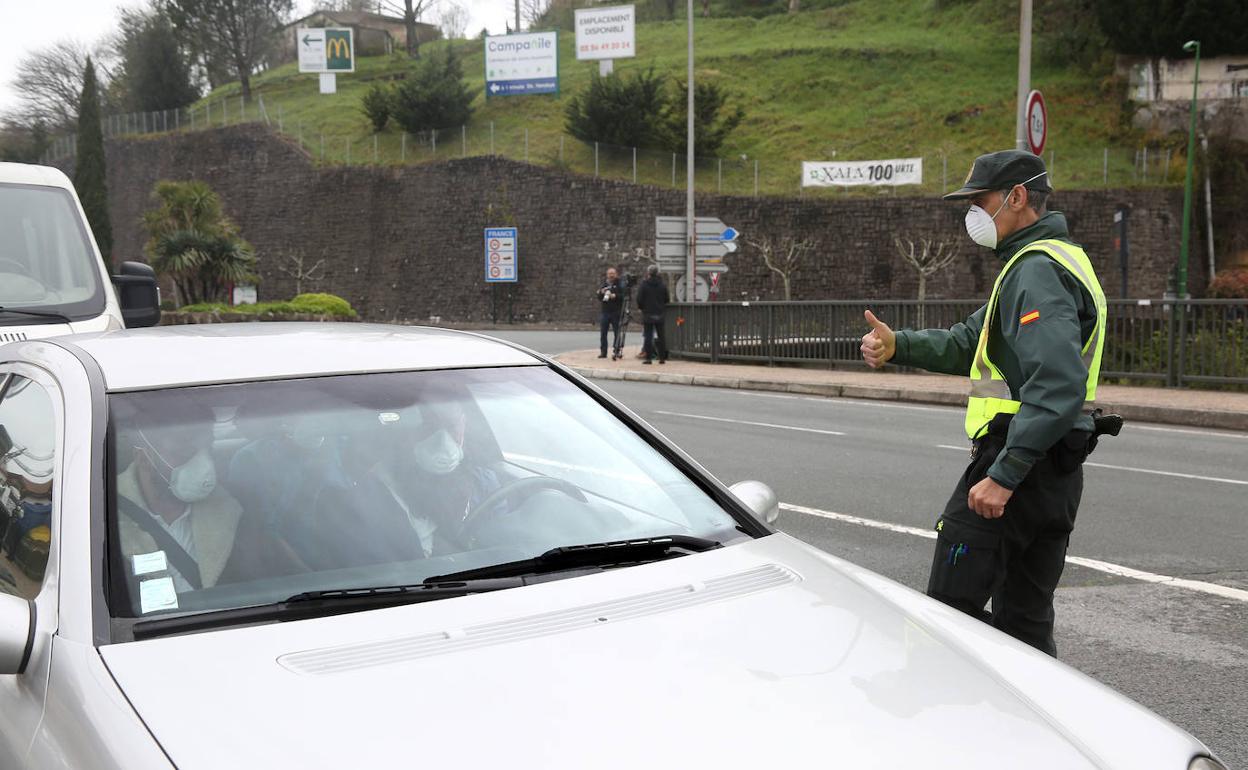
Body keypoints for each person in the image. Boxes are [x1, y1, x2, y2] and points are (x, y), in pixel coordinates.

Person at [859, 149, 1107, 657]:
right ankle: (1034, 732)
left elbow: (1058, 384)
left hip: (1017, 463)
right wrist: (898, 344)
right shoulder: (1047, 262)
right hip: (1055, 467)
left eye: (980, 200)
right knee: (1024, 628)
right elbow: (971, 340)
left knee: (948, 624)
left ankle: (951, 731)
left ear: (1016, 197)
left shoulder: (1036, 270)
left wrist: (1006, 473)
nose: (972, 213)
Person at [115, 401, 242, 594]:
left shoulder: (233, 514)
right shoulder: (103, 524)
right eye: (184, 451)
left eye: (208, 449)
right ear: (143, 459)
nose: (204, 464)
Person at [636, 265, 669, 365]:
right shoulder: (662, 285)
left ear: (648, 273)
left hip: (648, 314)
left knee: (648, 336)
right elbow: (667, 299)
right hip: (659, 313)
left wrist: (642, 308)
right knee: (661, 336)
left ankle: (648, 358)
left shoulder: (644, 285)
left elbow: (639, 299)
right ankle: (662, 358)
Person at [596, 267, 625, 359]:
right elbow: (599, 297)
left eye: (613, 273)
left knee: (617, 332)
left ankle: (616, 351)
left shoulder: (620, 284)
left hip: (616, 312)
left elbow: (624, 296)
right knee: (603, 333)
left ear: (616, 274)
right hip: (605, 312)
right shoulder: (604, 284)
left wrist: (615, 296)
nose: (611, 275)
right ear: (607, 275)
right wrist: (601, 292)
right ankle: (603, 352)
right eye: (609, 274)